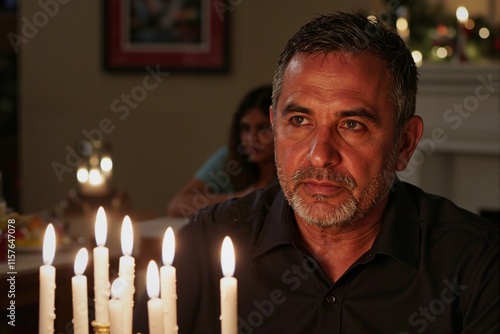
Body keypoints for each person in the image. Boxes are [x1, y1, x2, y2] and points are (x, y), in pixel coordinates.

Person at [135, 11, 499, 334]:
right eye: (299, 120)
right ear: (275, 126)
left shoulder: (476, 265)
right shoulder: (206, 244)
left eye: (352, 125)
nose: (320, 156)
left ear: (404, 143)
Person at [167, 85, 277, 218]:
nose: (251, 138)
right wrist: (240, 200)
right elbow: (178, 206)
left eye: (263, 128)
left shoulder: (294, 162)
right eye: (246, 128)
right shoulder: (229, 158)